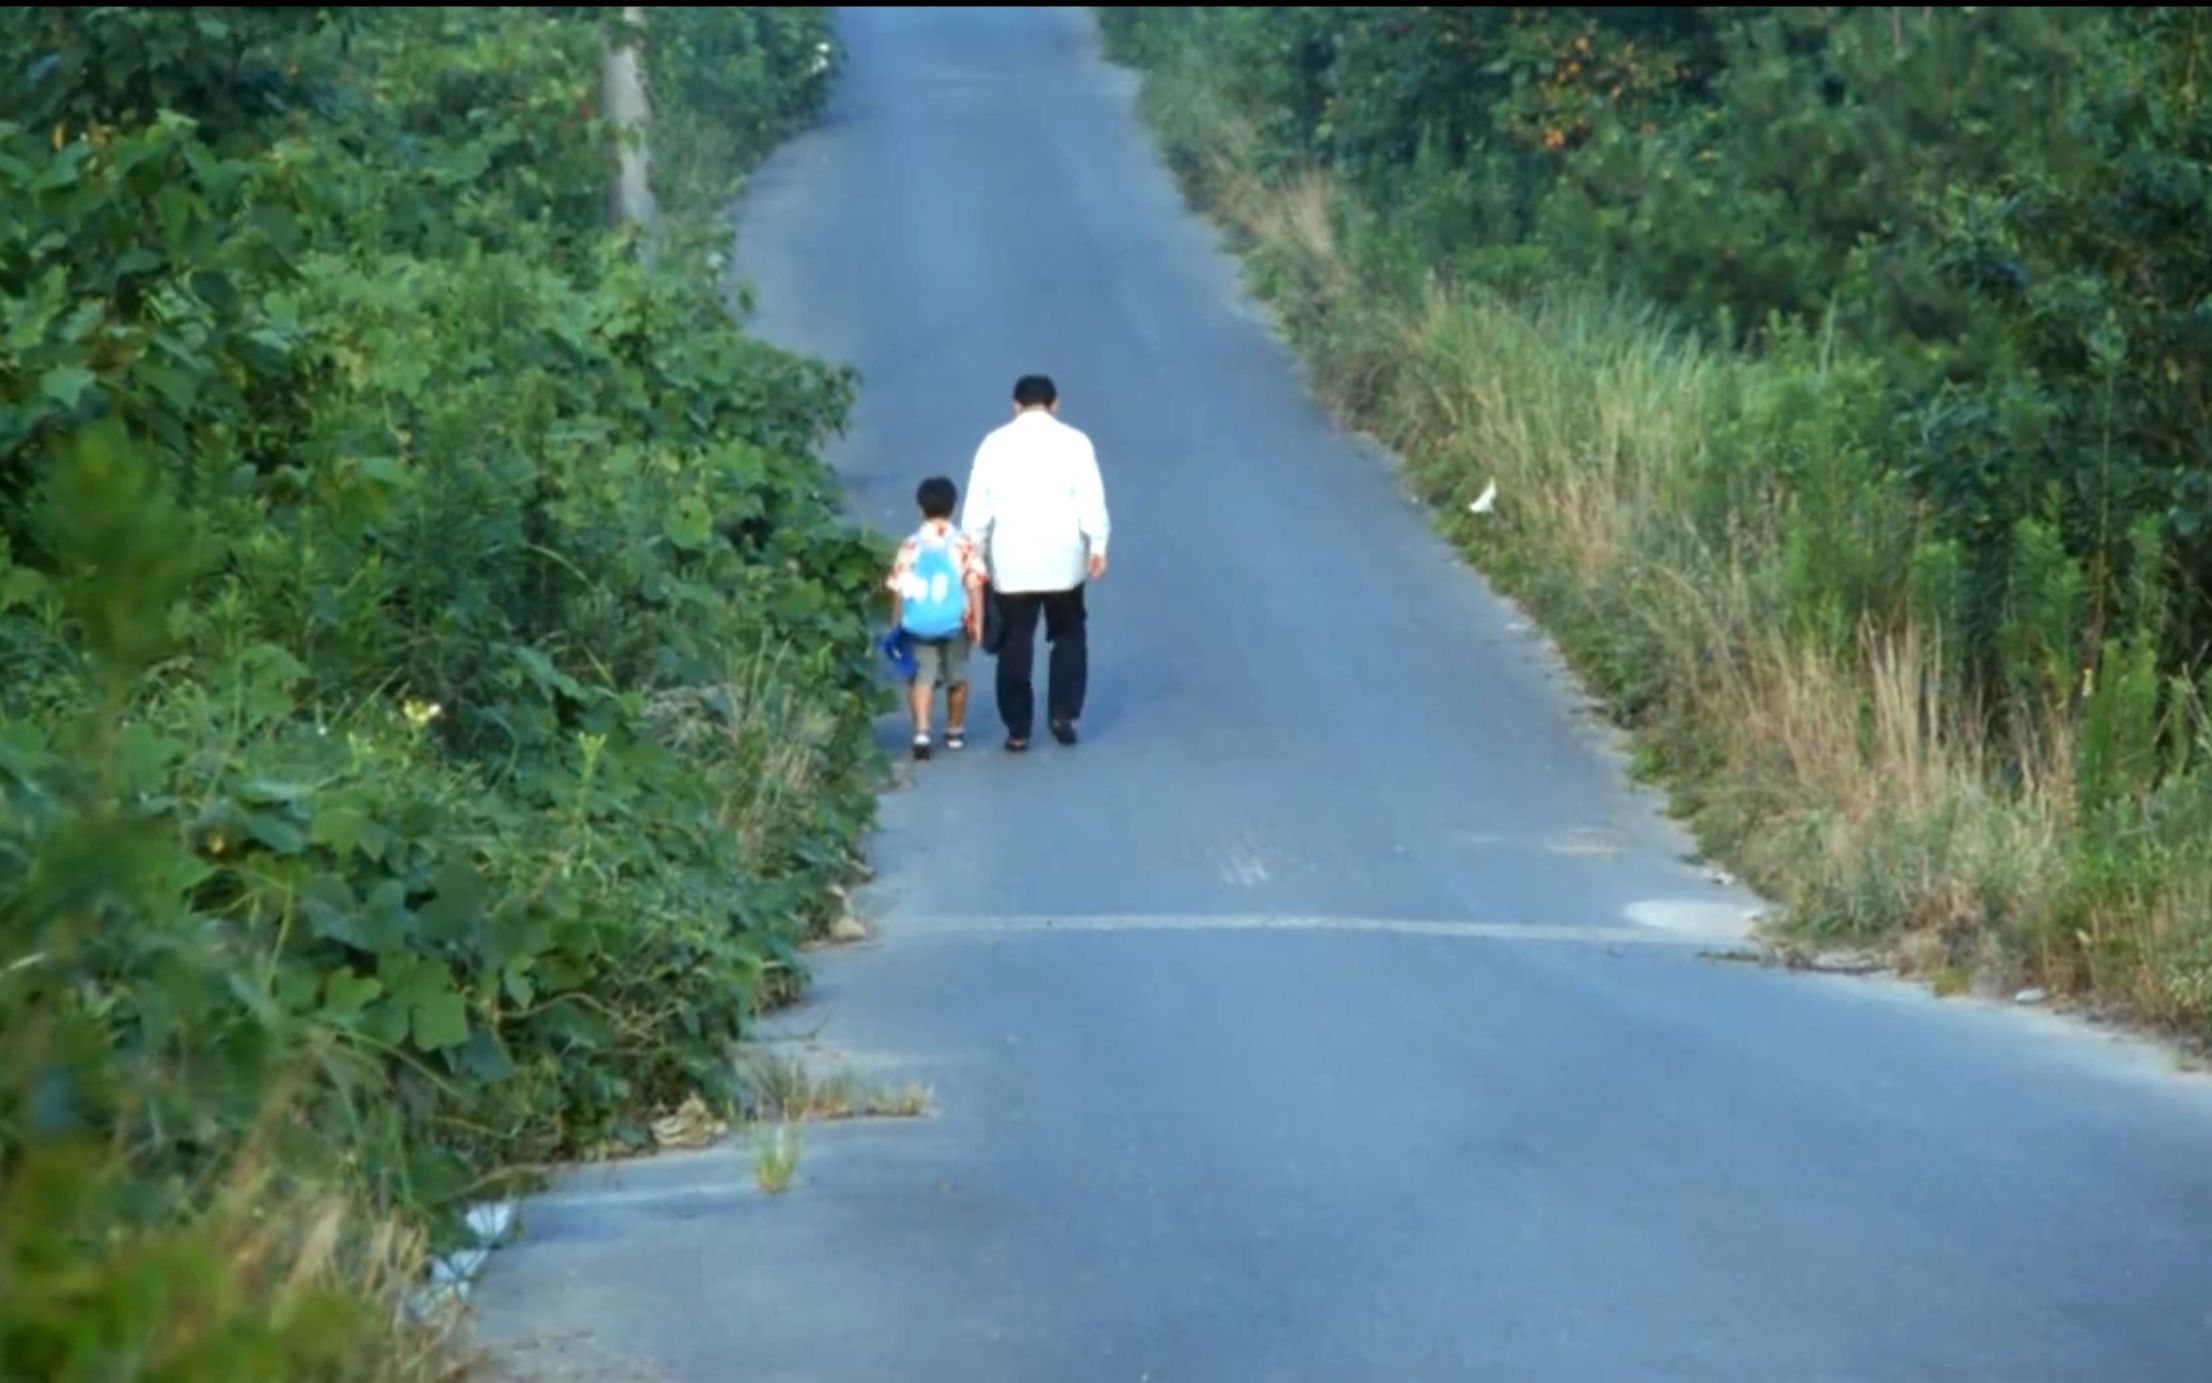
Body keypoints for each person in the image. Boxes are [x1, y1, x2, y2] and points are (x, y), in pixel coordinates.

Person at [960, 374, 1110, 752]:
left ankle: (1018, 728)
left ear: (1015, 405)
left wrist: (973, 554)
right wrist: (1098, 545)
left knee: (1015, 643)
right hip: (1065, 561)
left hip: (1012, 562)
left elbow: (977, 509)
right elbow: (1090, 498)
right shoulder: (1076, 443)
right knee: (1069, 635)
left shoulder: (993, 445)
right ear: (1055, 403)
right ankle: (1063, 714)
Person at [886, 475, 987, 761]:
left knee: (922, 677)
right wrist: (978, 621)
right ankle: (955, 731)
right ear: (953, 507)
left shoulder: (910, 545)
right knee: (957, 678)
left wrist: (897, 622)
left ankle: (921, 731)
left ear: (920, 508)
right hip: (955, 624)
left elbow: (899, 586)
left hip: (918, 624)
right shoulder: (963, 543)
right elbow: (975, 582)